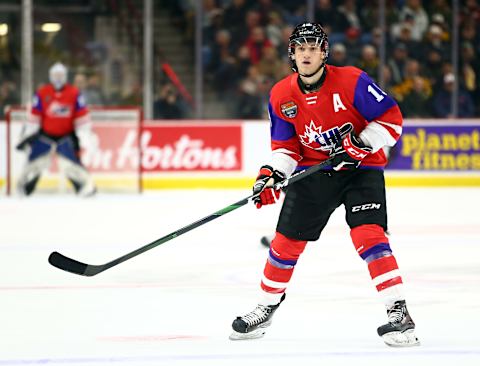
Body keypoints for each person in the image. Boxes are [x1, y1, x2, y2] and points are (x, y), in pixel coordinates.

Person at [229, 23, 420, 347]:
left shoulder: (352, 81)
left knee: (368, 236)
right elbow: (287, 148)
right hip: (314, 172)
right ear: (292, 53)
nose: (306, 53)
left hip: (362, 170)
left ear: (324, 52)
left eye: (312, 47)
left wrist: (359, 144)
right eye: (300, 48)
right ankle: (266, 305)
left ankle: (399, 313)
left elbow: (392, 120)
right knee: (285, 243)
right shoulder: (281, 95)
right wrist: (271, 176)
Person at [16, 62, 96, 196]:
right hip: (45, 134)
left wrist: (84, 135)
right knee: (37, 162)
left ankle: (84, 187)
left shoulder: (74, 93)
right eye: (55, 75)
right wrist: (27, 134)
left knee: (70, 164)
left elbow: (82, 116)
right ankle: (25, 188)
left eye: (60, 75)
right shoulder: (42, 93)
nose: (58, 78)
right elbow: (35, 116)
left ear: (65, 76)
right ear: (50, 76)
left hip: (66, 135)